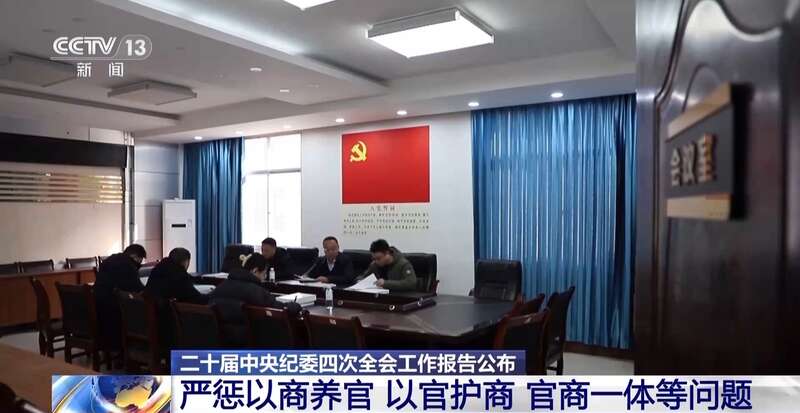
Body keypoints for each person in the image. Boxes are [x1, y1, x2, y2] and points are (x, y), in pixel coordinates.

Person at [210, 253, 302, 346]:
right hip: (249, 342)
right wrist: (295, 306)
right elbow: (281, 309)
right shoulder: (255, 291)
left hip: (222, 342)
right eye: (264, 274)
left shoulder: (220, 287)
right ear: (255, 270)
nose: (264, 278)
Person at [94, 244, 147, 349]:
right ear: (134, 256)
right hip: (114, 312)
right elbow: (138, 289)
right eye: (139, 261)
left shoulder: (110, 259)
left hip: (99, 308)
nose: (139, 265)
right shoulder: (128, 265)